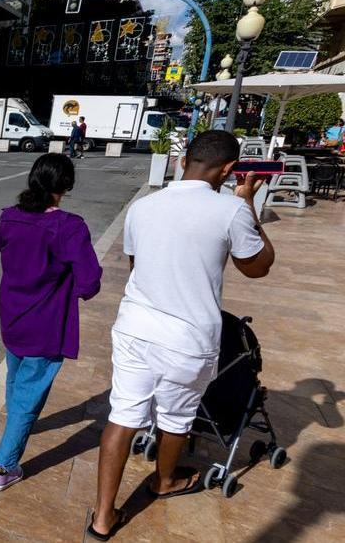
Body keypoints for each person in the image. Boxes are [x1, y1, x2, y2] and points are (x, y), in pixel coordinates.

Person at [89, 130, 275, 540]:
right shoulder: (230, 210)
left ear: (184, 159)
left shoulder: (143, 207)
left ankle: (103, 516)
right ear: (229, 170)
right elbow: (258, 266)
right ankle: (164, 481)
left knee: (122, 416)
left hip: (135, 327)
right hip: (187, 338)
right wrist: (247, 201)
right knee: (176, 418)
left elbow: (138, 267)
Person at [0, 154, 102, 491]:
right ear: (66, 186)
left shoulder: (9, 218)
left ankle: (16, 425)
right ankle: (3, 466)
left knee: (16, 376)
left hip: (13, 314)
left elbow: (3, 246)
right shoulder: (68, 226)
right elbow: (89, 282)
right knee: (29, 390)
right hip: (46, 322)